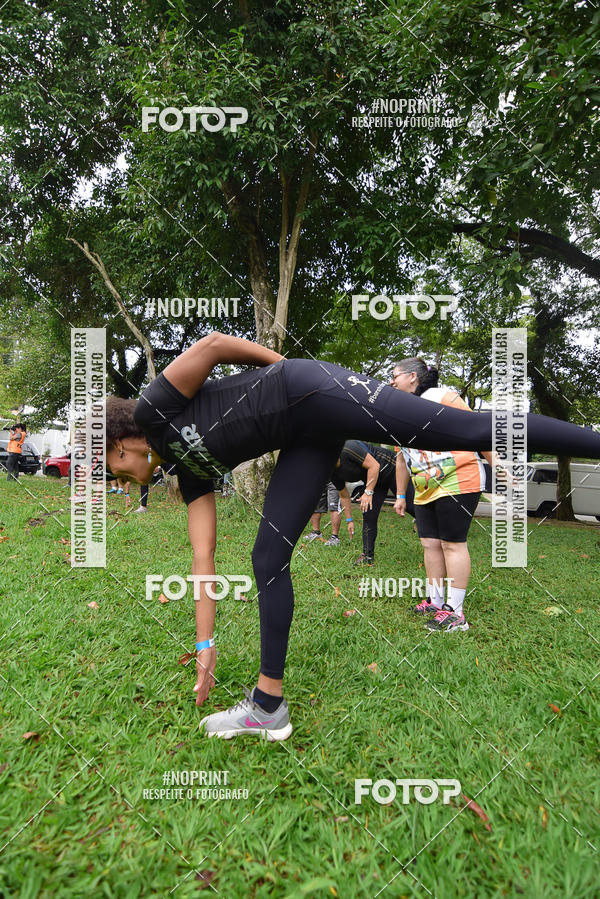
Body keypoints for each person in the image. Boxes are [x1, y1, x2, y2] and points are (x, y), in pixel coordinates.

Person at [102, 332, 600, 741]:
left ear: (121, 444)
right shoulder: (188, 474)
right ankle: (268, 706)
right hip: (304, 436)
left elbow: (213, 345)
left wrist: (289, 371)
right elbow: (202, 558)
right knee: (267, 557)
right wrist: (205, 642)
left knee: (459, 430)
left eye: (116, 471)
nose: (122, 482)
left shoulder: (152, 410)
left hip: (306, 389)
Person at [391, 358, 495, 633]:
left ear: (412, 377)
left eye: (395, 376)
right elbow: (401, 459)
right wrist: (400, 495)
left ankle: (456, 613)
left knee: (452, 544)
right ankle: (436, 602)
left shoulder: (441, 397)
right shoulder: (397, 412)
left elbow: (477, 429)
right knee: (430, 544)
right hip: (424, 487)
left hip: (458, 478)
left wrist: (498, 465)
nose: (391, 382)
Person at [329, 440, 415, 565]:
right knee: (368, 513)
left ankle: (439, 537)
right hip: (375, 482)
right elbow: (344, 496)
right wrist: (349, 520)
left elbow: (374, 466)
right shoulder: (332, 472)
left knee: (413, 508)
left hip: (391, 469)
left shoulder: (348, 448)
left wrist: (368, 493)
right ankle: (367, 557)